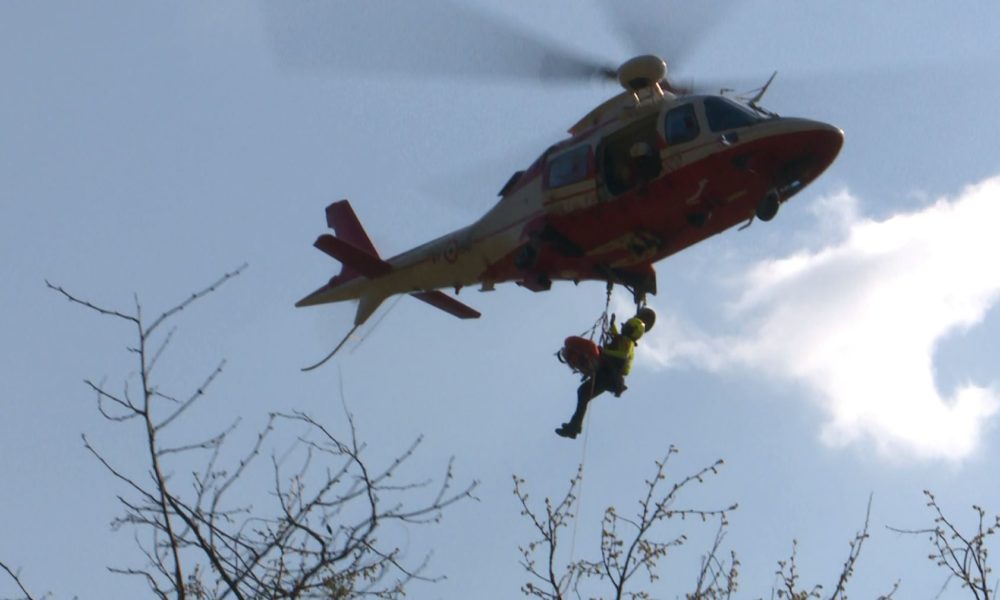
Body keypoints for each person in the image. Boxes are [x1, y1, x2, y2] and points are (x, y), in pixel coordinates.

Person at [555, 307, 656, 439]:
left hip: (610, 375)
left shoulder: (627, 343)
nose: (624, 327)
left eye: (626, 326)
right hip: (607, 374)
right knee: (583, 393)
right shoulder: (623, 339)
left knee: (583, 392)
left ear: (631, 329)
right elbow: (616, 338)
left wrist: (603, 352)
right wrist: (612, 324)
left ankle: (575, 426)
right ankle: (574, 427)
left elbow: (622, 355)